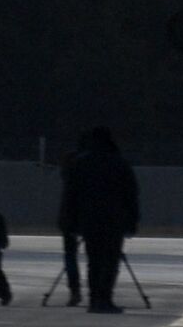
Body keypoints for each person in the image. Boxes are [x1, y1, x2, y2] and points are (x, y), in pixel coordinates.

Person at [60, 125, 139, 314]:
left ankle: (94, 299)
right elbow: (131, 194)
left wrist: (70, 221)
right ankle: (105, 298)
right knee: (110, 261)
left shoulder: (80, 163)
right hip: (114, 219)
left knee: (94, 260)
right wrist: (132, 220)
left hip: (89, 219)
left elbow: (71, 195)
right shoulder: (119, 163)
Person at [55, 131, 88, 306]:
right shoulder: (91, 163)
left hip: (69, 216)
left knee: (70, 255)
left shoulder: (69, 162)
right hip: (88, 214)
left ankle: (75, 290)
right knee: (97, 254)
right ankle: (98, 290)